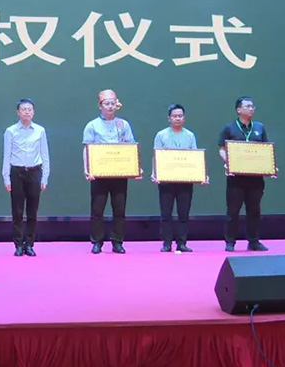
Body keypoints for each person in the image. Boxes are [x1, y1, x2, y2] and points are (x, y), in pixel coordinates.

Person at [83, 89, 140, 254]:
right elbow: (87, 149)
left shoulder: (123, 125)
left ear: (117, 105)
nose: (110, 106)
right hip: (99, 174)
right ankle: (97, 242)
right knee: (97, 210)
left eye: (112, 103)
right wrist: (87, 169)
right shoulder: (92, 125)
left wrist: (136, 168)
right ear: (100, 106)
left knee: (119, 210)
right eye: (106, 103)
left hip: (119, 173)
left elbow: (130, 147)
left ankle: (117, 241)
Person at [218, 96, 270, 252]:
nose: (251, 109)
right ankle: (230, 242)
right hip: (236, 178)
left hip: (256, 178)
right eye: (247, 106)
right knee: (233, 211)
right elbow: (221, 149)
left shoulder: (259, 127)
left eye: (253, 106)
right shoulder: (229, 128)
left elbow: (265, 150)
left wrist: (270, 166)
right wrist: (229, 162)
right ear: (238, 110)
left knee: (254, 211)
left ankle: (254, 241)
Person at [1, 99, 50, 257]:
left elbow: (45, 155)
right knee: (17, 211)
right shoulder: (10, 131)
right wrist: (6, 177)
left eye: (30, 109)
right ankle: (18, 244)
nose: (27, 112)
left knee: (32, 211)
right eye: (24, 109)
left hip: (35, 172)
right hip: (17, 172)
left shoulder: (40, 131)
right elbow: (6, 155)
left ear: (33, 112)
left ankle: (29, 244)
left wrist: (45, 177)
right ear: (18, 112)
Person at [152, 104, 202, 253]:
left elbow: (195, 157)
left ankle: (182, 243)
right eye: (174, 116)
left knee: (183, 214)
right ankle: (166, 243)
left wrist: (200, 175)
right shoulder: (161, 135)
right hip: (166, 180)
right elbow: (156, 156)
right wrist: (155, 173)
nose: (178, 118)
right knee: (166, 214)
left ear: (184, 118)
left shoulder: (190, 135)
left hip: (185, 180)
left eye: (180, 116)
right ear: (169, 118)